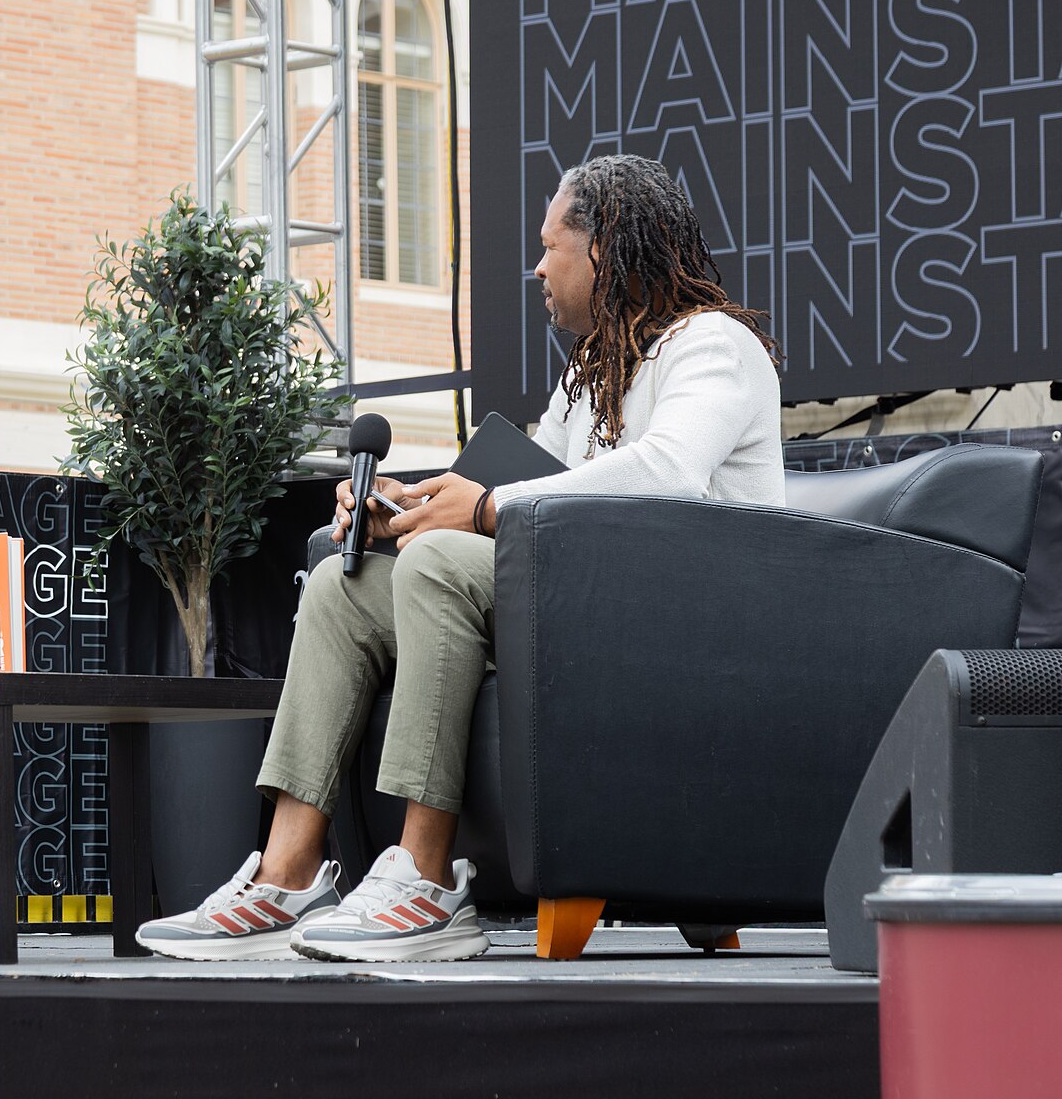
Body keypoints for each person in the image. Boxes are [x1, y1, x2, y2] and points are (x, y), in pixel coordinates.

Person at [138, 154, 785, 962]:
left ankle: (423, 878)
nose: (537, 265)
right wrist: (400, 512)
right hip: (578, 601)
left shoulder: (712, 345)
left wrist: (478, 511)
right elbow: (528, 486)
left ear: (607, 249)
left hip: (676, 623)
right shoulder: (590, 374)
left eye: (552, 246)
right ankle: (287, 875)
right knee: (346, 588)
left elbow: (666, 472)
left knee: (441, 562)